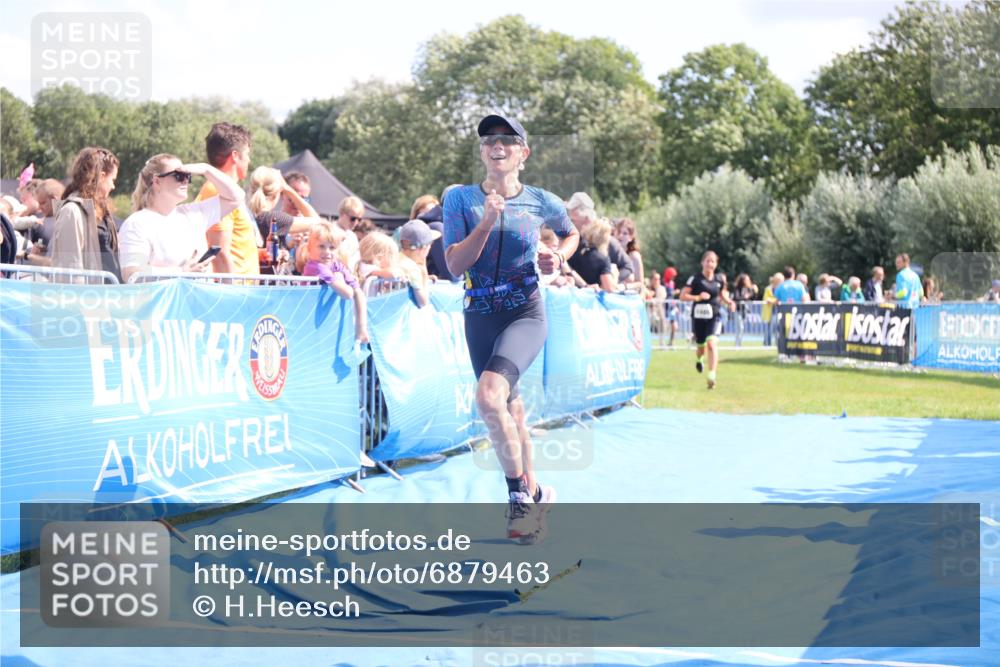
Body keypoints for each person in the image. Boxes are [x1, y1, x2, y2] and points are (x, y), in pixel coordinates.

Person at [443, 112, 579, 543]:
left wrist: (558, 258)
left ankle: (518, 497)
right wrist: (485, 221)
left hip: (524, 313)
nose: (496, 145)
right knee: (511, 411)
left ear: (524, 152)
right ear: (482, 152)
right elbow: (453, 265)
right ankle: (537, 492)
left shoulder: (542, 201)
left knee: (488, 397)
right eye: (488, 140)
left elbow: (571, 233)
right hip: (479, 314)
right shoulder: (460, 200)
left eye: (506, 139)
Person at [119, 153, 244, 282]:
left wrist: (206, 169)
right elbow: (132, 273)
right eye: (179, 175)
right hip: (165, 301)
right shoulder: (136, 223)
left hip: (200, 300)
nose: (185, 180)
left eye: (188, 176)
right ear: (157, 181)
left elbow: (236, 197)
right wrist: (181, 272)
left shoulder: (194, 213)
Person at [49, 147, 122, 282]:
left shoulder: (102, 211)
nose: (113, 186)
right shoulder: (71, 212)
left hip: (109, 295)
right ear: (102, 176)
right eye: (113, 180)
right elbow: (71, 266)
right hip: (89, 297)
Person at [195, 122, 257, 275]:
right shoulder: (216, 190)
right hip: (235, 293)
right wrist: (233, 292)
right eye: (247, 154)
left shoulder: (222, 189)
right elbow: (219, 252)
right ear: (235, 156)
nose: (249, 160)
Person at [302, 221, 369, 343]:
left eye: (332, 247)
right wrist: (339, 277)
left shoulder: (336, 266)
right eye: (321, 246)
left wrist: (361, 328)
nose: (327, 252)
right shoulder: (317, 266)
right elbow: (348, 294)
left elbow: (358, 292)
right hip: (307, 318)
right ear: (309, 249)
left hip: (322, 321)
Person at [679, 250, 735, 390]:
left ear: (716, 264)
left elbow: (722, 294)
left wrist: (729, 302)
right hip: (698, 317)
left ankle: (711, 376)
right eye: (707, 261)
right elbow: (682, 296)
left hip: (714, 315)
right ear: (702, 262)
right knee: (701, 347)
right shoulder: (695, 279)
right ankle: (699, 359)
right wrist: (697, 297)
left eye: (713, 261)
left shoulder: (719, 279)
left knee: (711, 343)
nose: (710, 264)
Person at [565, 191, 632, 283]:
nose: (570, 224)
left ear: (586, 219)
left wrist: (611, 281)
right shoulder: (573, 241)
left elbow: (627, 267)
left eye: (573, 220)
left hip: (601, 295)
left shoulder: (608, 241)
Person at [397, 219, 439, 308]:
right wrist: (424, 275)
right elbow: (423, 302)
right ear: (424, 248)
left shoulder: (396, 259)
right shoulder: (412, 269)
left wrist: (424, 277)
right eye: (430, 244)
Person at [569, 218, 618, 292]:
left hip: (574, 295)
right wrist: (615, 276)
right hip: (591, 298)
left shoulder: (575, 251)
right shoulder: (603, 259)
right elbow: (609, 289)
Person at [336, 196, 365, 273]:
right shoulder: (329, 231)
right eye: (353, 219)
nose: (356, 222)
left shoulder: (352, 236)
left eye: (359, 219)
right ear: (342, 214)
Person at [614, 217, 644, 289]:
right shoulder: (611, 254)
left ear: (631, 237)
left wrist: (624, 286)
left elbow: (640, 283)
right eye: (618, 232)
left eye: (625, 233)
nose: (620, 235)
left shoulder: (634, 256)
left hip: (628, 296)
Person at [731, 273, 758, 347]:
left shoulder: (749, 289)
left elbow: (753, 299)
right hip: (738, 310)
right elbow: (736, 298)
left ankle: (739, 343)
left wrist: (755, 292)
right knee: (739, 327)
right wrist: (745, 297)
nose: (748, 281)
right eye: (747, 280)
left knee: (742, 328)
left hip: (745, 311)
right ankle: (737, 344)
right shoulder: (737, 288)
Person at [761, 272, 783, 347]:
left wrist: (773, 301)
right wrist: (774, 301)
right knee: (768, 329)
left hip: (779, 311)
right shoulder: (768, 289)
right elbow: (766, 299)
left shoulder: (782, 288)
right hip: (769, 311)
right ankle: (767, 344)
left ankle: (777, 344)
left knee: (777, 328)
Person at [662, 266, 680, 347]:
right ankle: (662, 342)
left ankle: (671, 342)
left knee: (674, 326)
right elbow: (667, 295)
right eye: (672, 275)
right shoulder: (664, 283)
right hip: (665, 307)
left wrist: (675, 306)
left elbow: (671, 297)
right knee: (664, 326)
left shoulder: (672, 283)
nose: (673, 277)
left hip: (671, 307)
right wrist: (675, 292)